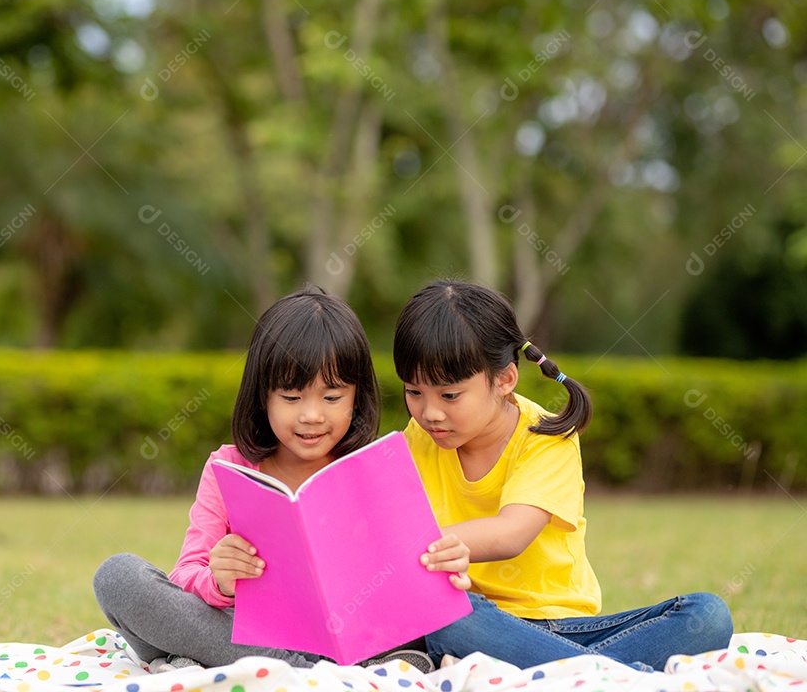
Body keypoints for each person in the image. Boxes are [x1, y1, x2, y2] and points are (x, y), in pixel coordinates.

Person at [93, 285, 470, 672]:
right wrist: (219, 581)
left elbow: (411, 573)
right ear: (263, 397)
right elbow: (186, 574)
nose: (311, 416)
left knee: (438, 624)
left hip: (355, 639)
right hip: (250, 634)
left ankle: (203, 660)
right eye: (291, 398)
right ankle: (299, 670)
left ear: (357, 397)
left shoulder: (374, 467)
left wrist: (444, 565)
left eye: (332, 397)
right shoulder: (228, 468)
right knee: (119, 577)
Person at [394, 279, 733, 672]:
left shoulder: (546, 436)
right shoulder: (419, 437)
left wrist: (427, 546)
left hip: (561, 626)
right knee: (449, 616)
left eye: (449, 395)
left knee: (707, 615)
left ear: (504, 380)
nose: (430, 412)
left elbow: (511, 533)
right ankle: (606, 675)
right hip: (475, 620)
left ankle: (585, 673)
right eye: (413, 392)